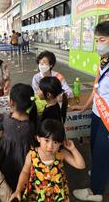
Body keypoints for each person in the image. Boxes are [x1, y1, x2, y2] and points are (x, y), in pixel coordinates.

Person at [73, 21, 109, 201]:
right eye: (96, 40)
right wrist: (86, 106)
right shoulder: (103, 61)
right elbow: (96, 88)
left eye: (102, 39)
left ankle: (95, 192)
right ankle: (98, 173)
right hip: (97, 113)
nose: (98, 44)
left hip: (108, 119)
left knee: (102, 152)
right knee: (95, 148)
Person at [10, 119, 85, 202]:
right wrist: (18, 190)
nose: (50, 146)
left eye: (55, 142)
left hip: (57, 195)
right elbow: (25, 172)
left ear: (61, 143)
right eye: (46, 140)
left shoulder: (61, 154)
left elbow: (81, 165)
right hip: (37, 194)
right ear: (38, 138)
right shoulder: (32, 154)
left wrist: (73, 149)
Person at [0, 83, 37, 191]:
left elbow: (0, 135)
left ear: (11, 102)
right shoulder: (31, 125)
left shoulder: (4, 119)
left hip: (6, 162)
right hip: (26, 165)